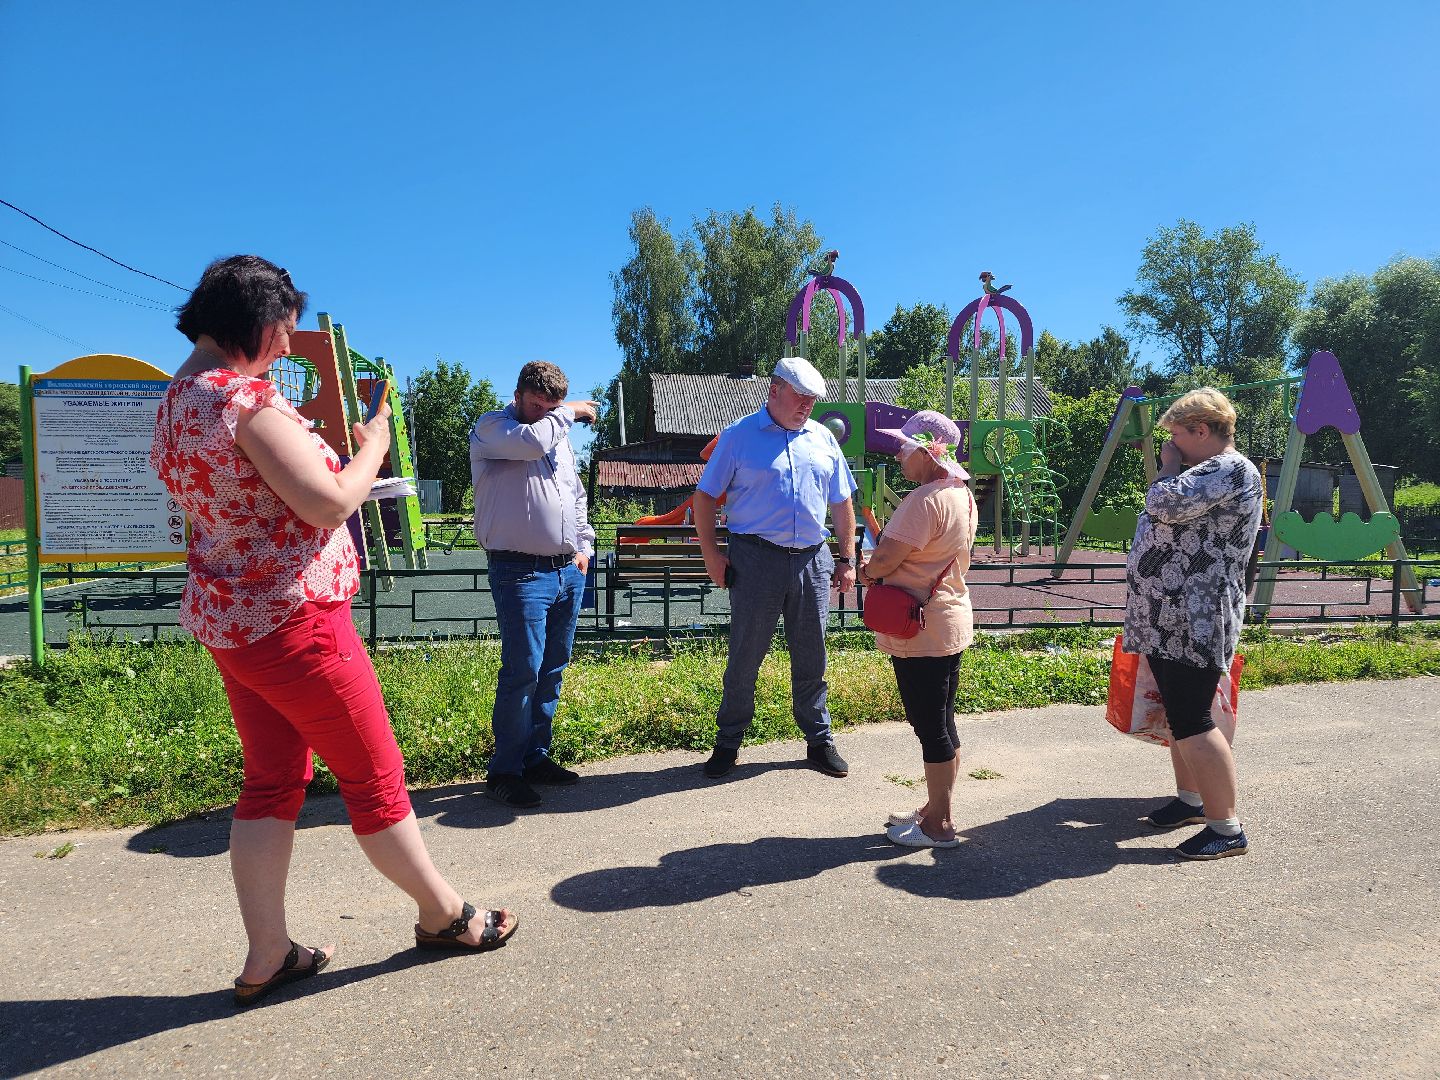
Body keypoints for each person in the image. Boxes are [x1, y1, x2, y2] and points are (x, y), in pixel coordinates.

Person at [151, 256, 517, 1007]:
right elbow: (326, 504)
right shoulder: (244, 401)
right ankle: (445, 916)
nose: (288, 347)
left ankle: (269, 950)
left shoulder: (176, 401)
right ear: (252, 323)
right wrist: (373, 443)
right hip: (297, 621)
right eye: (282, 332)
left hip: (233, 622)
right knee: (374, 779)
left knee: (270, 781)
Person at [692, 356, 858, 779]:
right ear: (774, 390)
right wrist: (712, 555)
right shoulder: (739, 436)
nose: (807, 406)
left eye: (812, 399)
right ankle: (728, 743)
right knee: (745, 655)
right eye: (800, 396)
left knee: (812, 656)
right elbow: (704, 497)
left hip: (812, 560)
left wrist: (847, 559)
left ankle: (819, 742)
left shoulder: (823, 438)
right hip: (755, 559)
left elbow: (842, 502)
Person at [1123, 388, 1263, 860]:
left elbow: (1165, 504)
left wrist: (1166, 468)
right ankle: (1192, 802)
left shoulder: (1229, 468)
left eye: (1177, 436)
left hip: (1194, 616)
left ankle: (1226, 828)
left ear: (1201, 431)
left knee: (1193, 719)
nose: (1171, 445)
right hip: (1170, 614)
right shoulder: (1209, 470)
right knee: (1178, 716)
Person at [469, 362, 597, 809]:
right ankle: (505, 771)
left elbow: (575, 495)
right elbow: (533, 443)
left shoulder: (555, 435)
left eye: (551, 407)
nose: (544, 414)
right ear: (518, 395)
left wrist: (584, 546)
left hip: (567, 570)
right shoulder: (493, 429)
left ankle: (535, 757)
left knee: (553, 667)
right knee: (523, 671)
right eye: (536, 405)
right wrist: (570, 411)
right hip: (519, 571)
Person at [859, 412, 978, 849]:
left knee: (930, 727)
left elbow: (886, 559)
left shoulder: (924, 500)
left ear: (927, 453)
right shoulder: (962, 495)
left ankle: (939, 825)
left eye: (904, 448)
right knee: (942, 720)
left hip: (920, 628)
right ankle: (935, 807)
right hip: (947, 618)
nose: (898, 455)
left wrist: (866, 570)